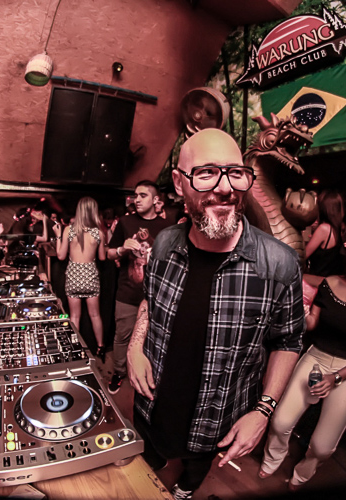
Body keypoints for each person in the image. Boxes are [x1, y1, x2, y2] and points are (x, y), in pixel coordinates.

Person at [127, 129, 304, 499]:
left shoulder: (279, 264)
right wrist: (134, 347)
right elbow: (150, 301)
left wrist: (264, 411)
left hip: (216, 418)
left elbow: (287, 341)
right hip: (153, 403)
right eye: (206, 172)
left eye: (235, 173)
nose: (225, 188)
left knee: (195, 469)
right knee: (146, 460)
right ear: (179, 183)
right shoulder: (165, 243)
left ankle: (186, 489)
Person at [260, 225, 346, 490]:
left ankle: (302, 474)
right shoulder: (329, 284)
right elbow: (313, 324)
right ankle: (273, 457)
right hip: (317, 357)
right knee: (280, 421)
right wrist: (299, 311)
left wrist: (335, 378)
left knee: (321, 446)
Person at [106, 180, 175, 394]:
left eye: (143, 195)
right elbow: (109, 253)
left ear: (155, 200)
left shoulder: (168, 227)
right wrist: (121, 249)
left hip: (157, 296)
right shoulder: (125, 222)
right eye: (135, 195)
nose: (137, 199)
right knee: (122, 336)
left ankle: (148, 375)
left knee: (154, 338)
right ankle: (119, 373)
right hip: (127, 293)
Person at [54, 197, 107, 359]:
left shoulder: (68, 230)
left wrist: (58, 236)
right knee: (95, 315)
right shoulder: (99, 233)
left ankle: (75, 349)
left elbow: (61, 256)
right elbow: (102, 258)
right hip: (90, 276)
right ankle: (101, 347)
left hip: (74, 276)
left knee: (75, 316)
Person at [305, 190, 345, 277]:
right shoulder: (338, 229)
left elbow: (303, 255)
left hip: (317, 280)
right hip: (330, 280)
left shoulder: (324, 229)